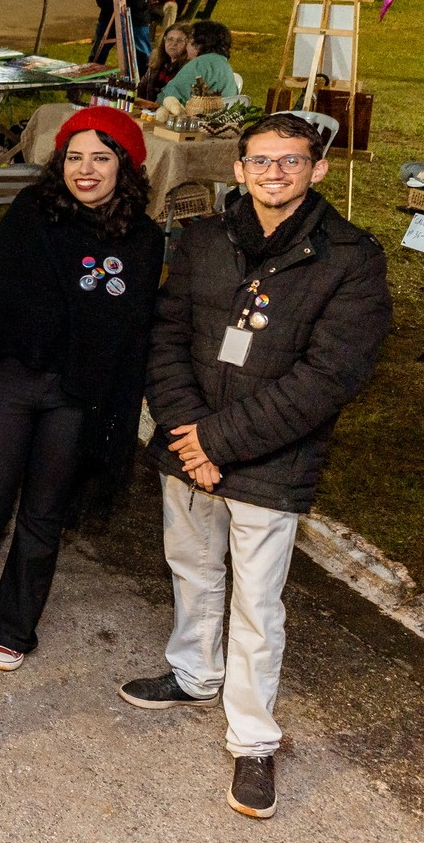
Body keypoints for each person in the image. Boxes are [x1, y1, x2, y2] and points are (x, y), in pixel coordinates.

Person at [122, 112, 391, 821]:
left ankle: (252, 739)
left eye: (292, 161)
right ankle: (194, 672)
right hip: (191, 446)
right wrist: (188, 437)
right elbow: (167, 335)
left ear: (318, 169)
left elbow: (328, 377)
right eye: (262, 161)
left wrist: (219, 444)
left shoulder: (351, 258)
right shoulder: (204, 237)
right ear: (237, 168)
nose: (276, 173)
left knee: (257, 603)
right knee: (192, 565)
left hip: (272, 456)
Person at [0, 107, 164, 674]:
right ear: (60, 163)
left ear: (124, 166)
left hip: (78, 394)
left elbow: (131, 328)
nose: (86, 170)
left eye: (101, 158)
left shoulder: (146, 240)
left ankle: (14, 626)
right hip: (9, 383)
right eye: (75, 157)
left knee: (43, 514)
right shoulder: (31, 214)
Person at [157, 18, 238, 106]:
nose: (186, 46)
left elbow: (172, 97)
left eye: (189, 41)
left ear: (198, 44)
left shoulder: (200, 64)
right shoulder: (224, 65)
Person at [137, 22, 192, 102]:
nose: (173, 44)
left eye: (179, 40)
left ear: (188, 44)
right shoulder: (157, 62)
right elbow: (142, 88)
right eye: (170, 39)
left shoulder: (188, 68)